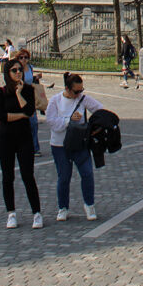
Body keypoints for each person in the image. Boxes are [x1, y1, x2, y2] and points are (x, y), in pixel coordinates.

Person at [45, 73, 104, 221]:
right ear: (67, 89)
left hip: (80, 144)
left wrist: (92, 126)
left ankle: (89, 205)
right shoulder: (55, 100)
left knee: (87, 174)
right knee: (64, 177)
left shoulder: (83, 99)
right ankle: (63, 207)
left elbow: (101, 111)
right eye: (76, 91)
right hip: (60, 144)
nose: (79, 94)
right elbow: (51, 122)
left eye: (81, 90)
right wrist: (68, 121)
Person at [0, 58, 42, 230]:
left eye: (20, 69)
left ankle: (37, 213)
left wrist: (20, 94)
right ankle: (11, 213)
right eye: (14, 70)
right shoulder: (0, 93)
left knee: (28, 176)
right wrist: (20, 115)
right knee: (8, 177)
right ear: (7, 73)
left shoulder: (27, 90)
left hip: (24, 139)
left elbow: (30, 112)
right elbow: (1, 116)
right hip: (5, 139)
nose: (18, 72)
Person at [16, 49, 43, 154]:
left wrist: (36, 77)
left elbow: (30, 81)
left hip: (30, 98)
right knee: (22, 124)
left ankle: (35, 148)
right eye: (21, 57)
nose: (24, 59)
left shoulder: (30, 68)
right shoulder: (17, 69)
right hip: (20, 98)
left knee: (34, 123)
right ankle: (21, 146)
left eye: (26, 57)